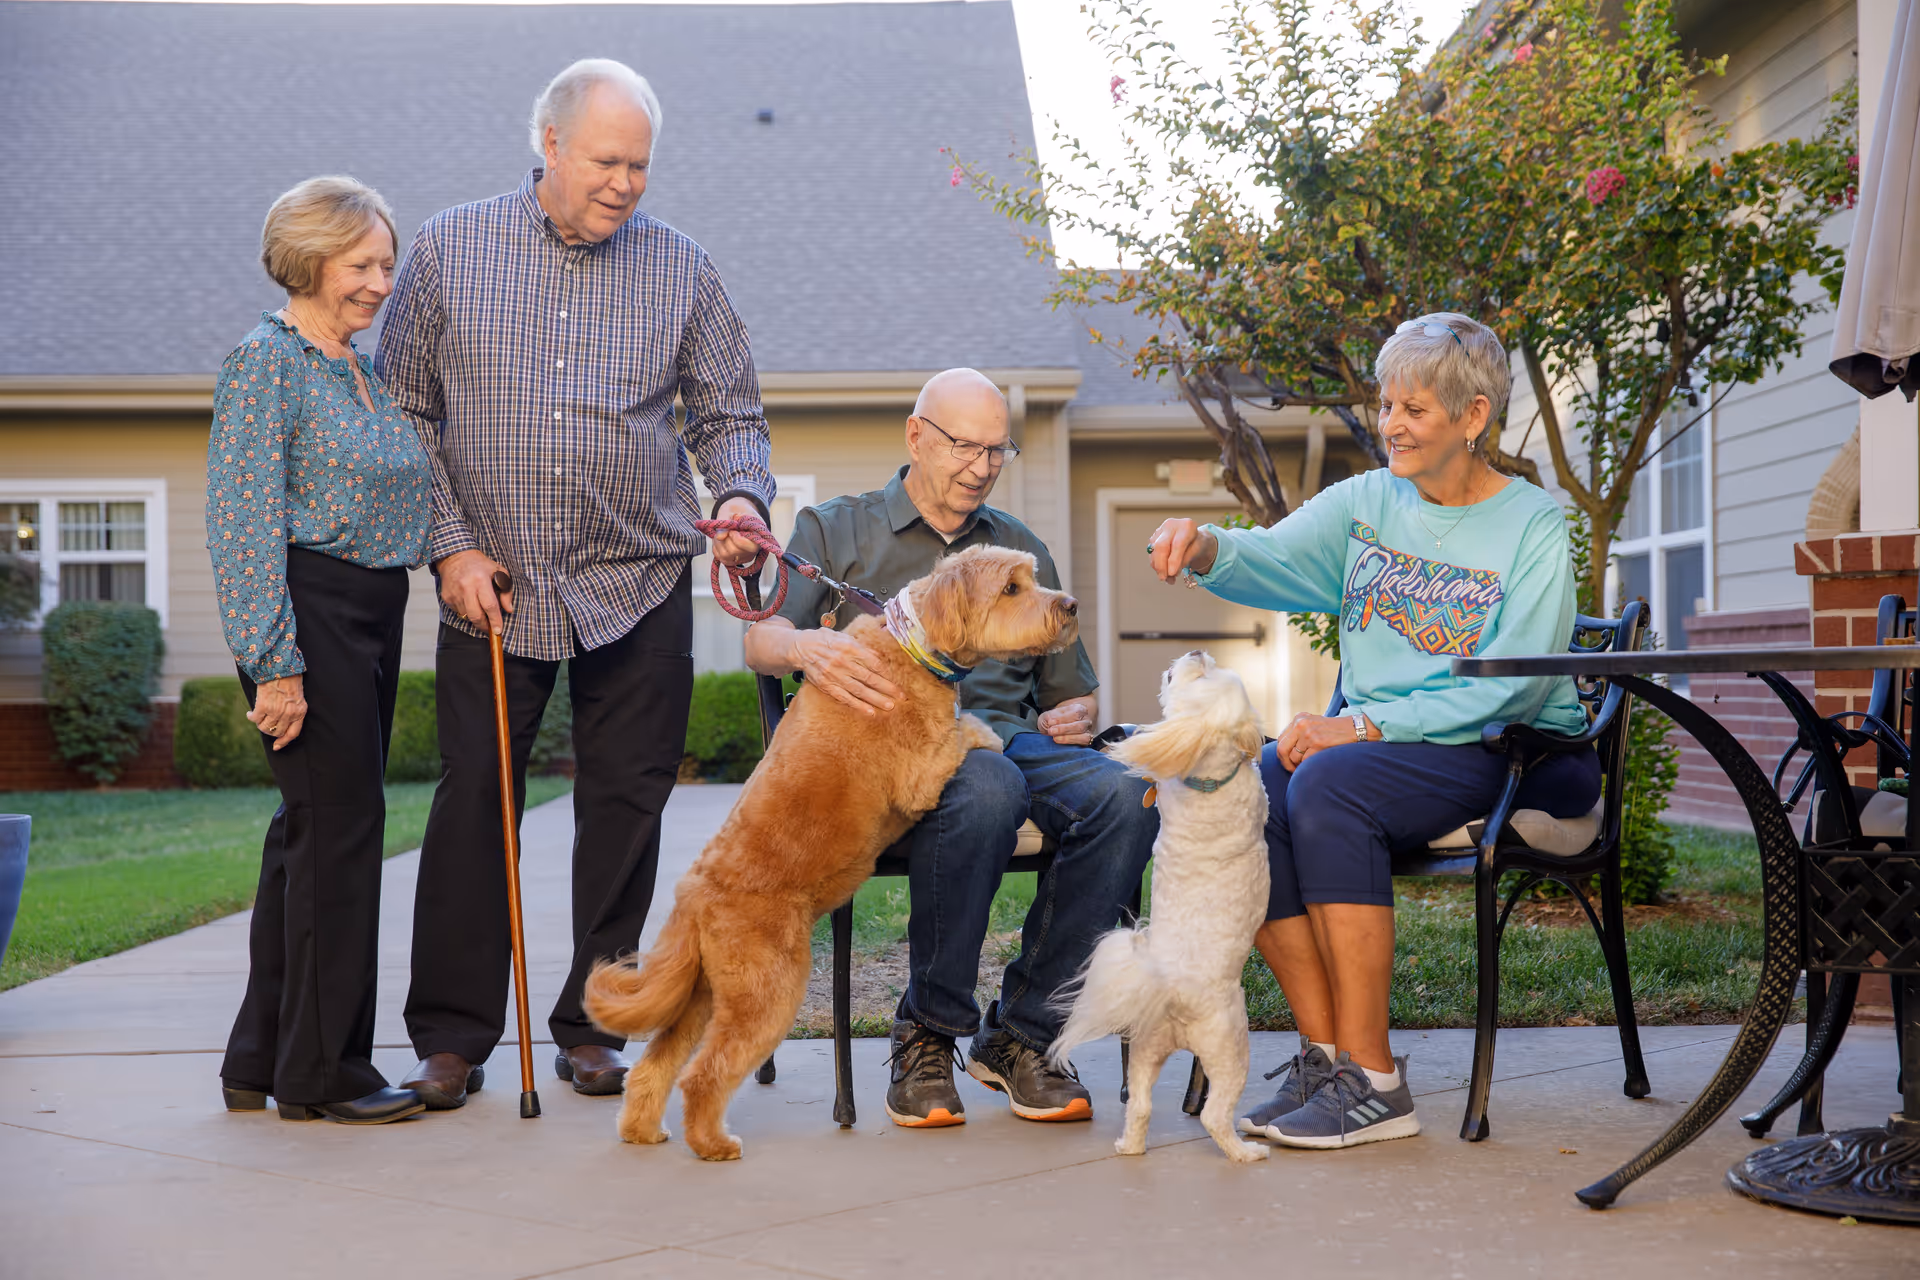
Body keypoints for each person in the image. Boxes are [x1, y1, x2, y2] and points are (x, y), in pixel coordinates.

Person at [376, 58, 774, 1107]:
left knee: (624, 807)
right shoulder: (451, 248)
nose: (626, 183)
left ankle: (599, 1018)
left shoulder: (681, 267)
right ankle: (453, 1034)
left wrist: (741, 499)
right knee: (474, 809)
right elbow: (403, 409)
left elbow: (730, 412)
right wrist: (451, 545)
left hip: (637, 577)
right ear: (549, 145)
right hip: (493, 586)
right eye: (607, 160)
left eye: (640, 165)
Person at [1147, 313, 1601, 1150]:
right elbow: (1275, 559)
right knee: (1259, 794)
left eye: (1415, 409)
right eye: (1387, 404)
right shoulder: (1368, 503)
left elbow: (1520, 680)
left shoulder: (1533, 524)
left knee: (1326, 785)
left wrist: (1359, 723)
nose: (1391, 423)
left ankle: (1379, 1080)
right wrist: (1207, 545)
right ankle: (1331, 1061)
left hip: (1513, 751)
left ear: (1473, 418)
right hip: (1388, 745)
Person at [743, 368, 1158, 1129]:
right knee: (988, 785)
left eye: (997, 452)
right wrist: (808, 648)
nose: (980, 467)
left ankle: (1023, 1034)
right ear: (916, 436)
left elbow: (1068, 686)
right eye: (965, 446)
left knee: (1128, 798)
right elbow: (759, 639)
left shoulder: (1019, 547)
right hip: (891, 752)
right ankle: (928, 1032)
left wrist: (1078, 710)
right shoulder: (835, 529)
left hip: (1008, 736)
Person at [209, 176, 431, 1125]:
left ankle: (258, 1059)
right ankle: (326, 1071)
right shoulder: (269, 362)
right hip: (311, 617)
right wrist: (276, 663)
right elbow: (242, 520)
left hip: (370, 619)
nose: (382, 283)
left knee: (309, 840)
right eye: (362, 265)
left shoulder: (357, 368)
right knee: (341, 840)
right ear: (309, 261)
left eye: (387, 264)